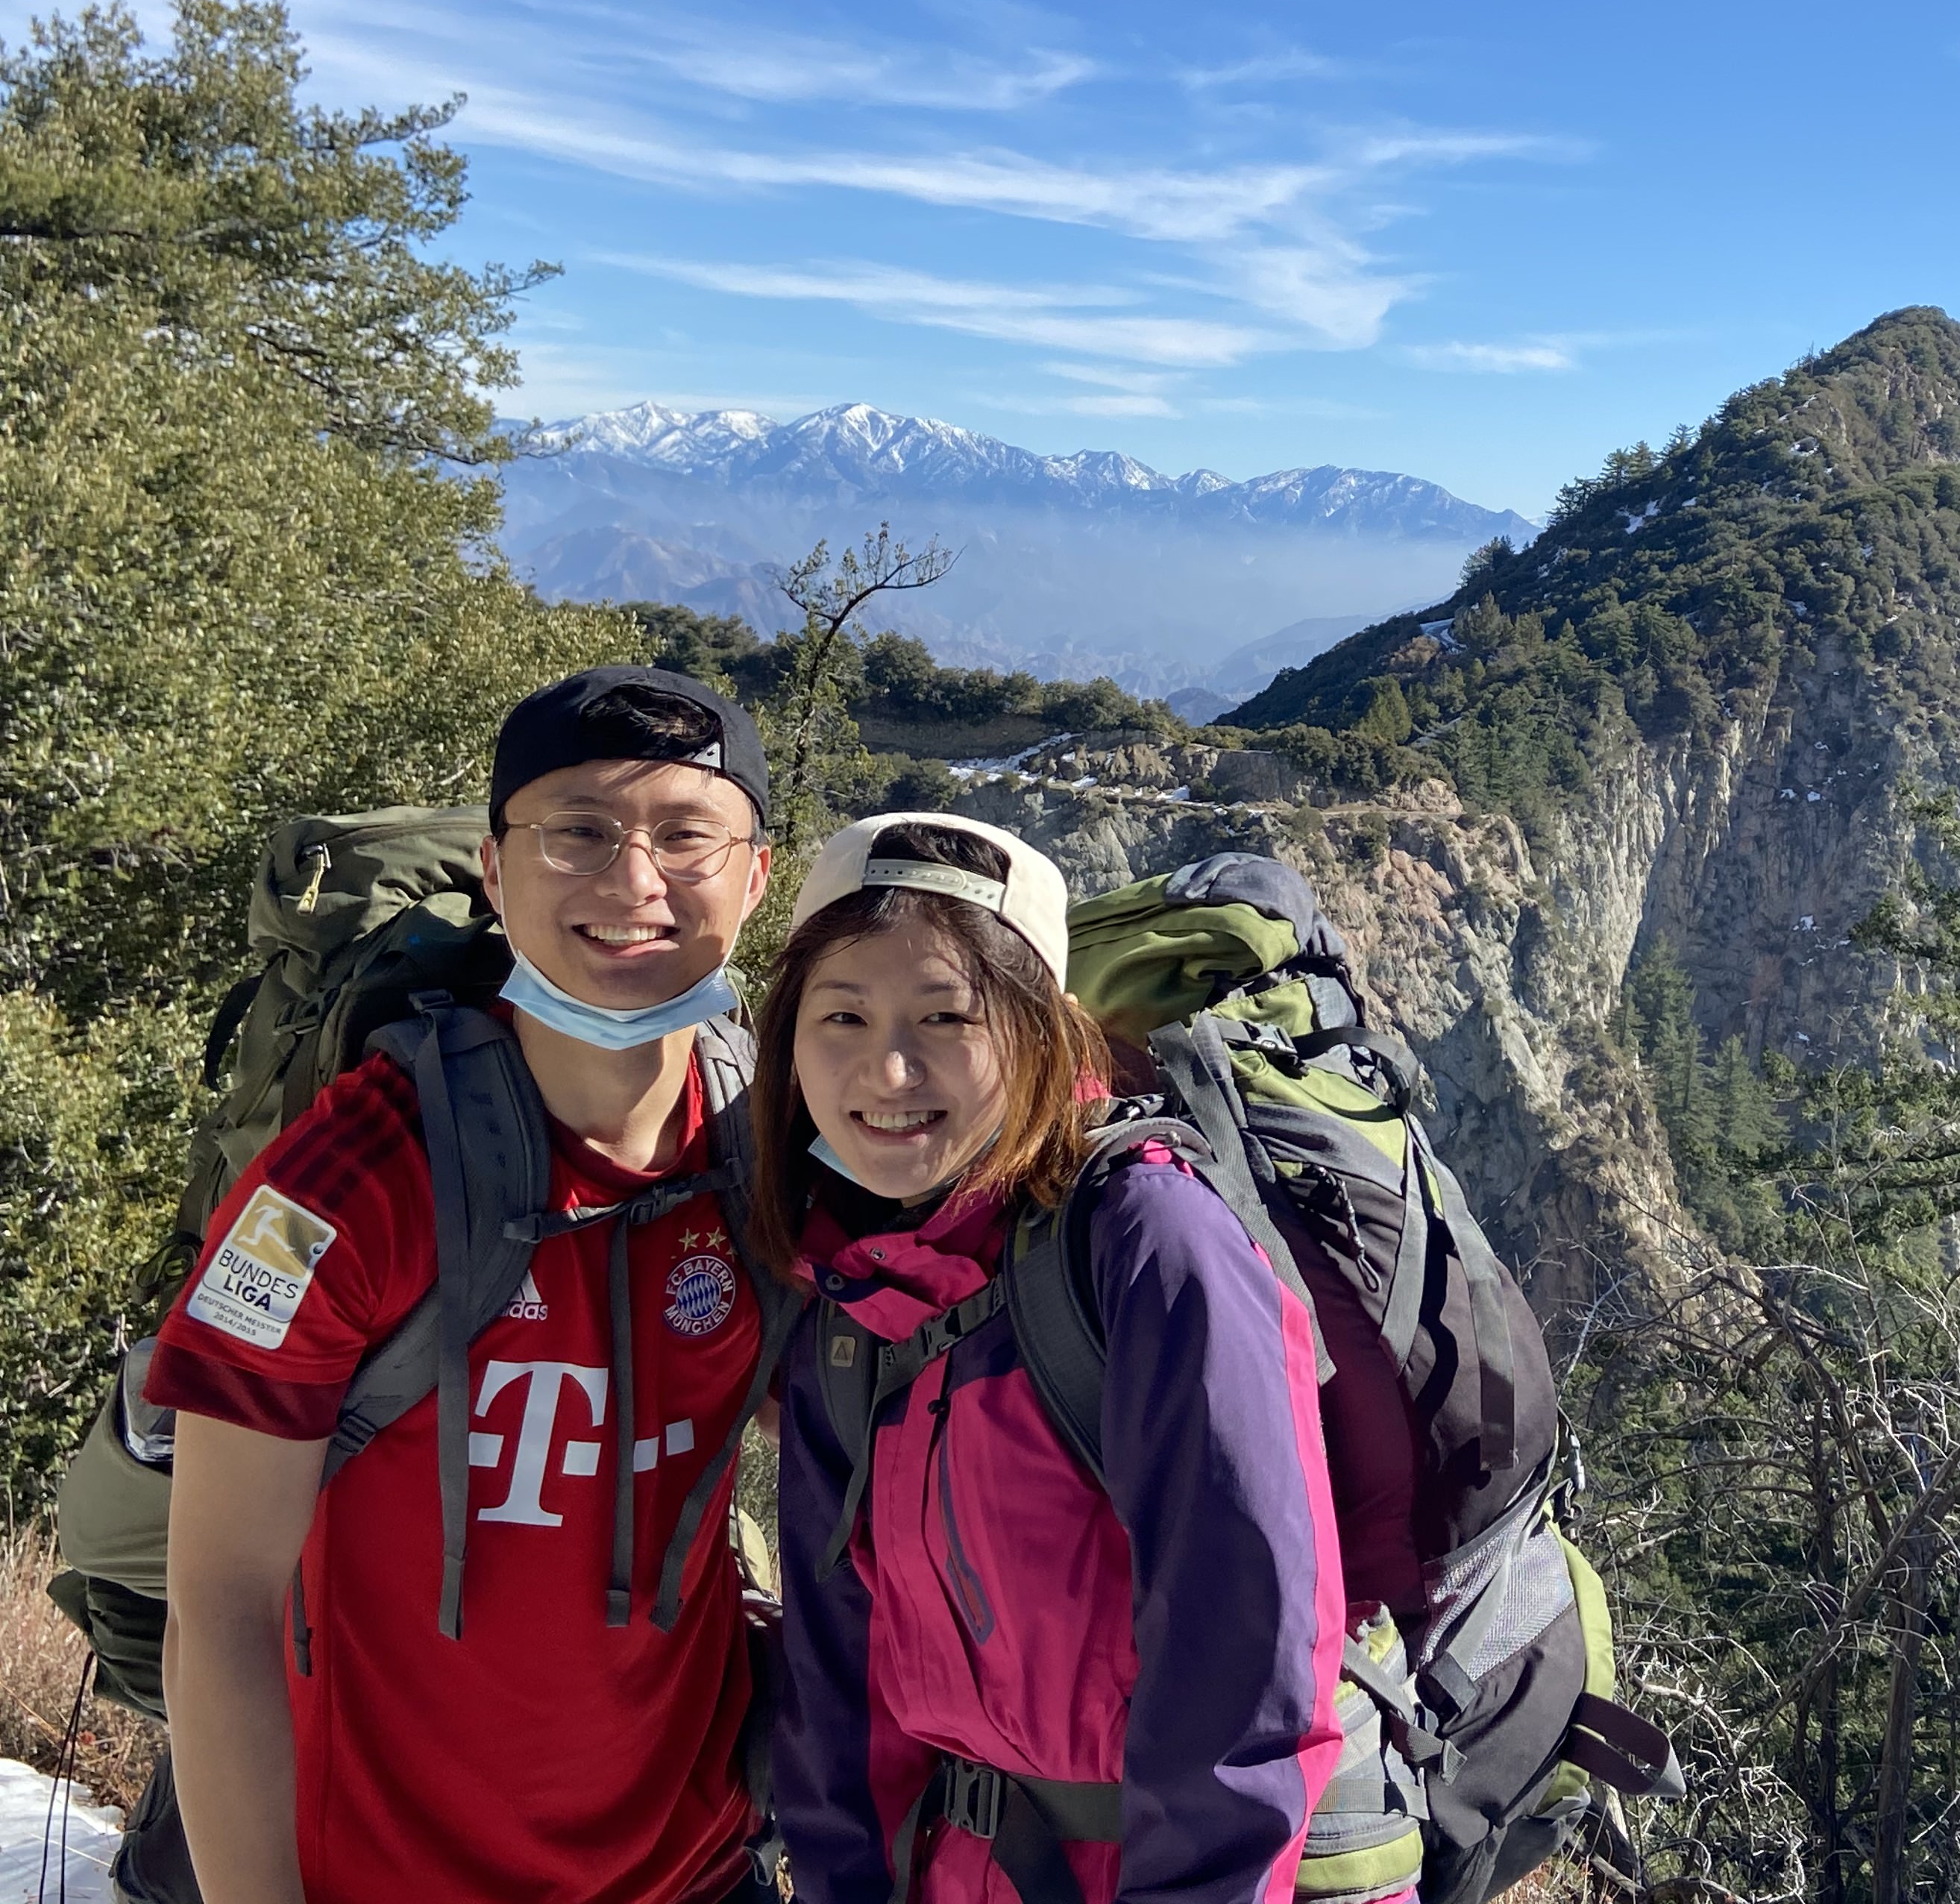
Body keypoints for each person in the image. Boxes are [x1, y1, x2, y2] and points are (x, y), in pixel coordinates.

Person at [149, 667, 780, 1904]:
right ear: (496, 870)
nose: (634, 883)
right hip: (390, 1877)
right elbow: (219, 1609)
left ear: (756, 877)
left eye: (686, 836)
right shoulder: (341, 1182)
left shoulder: (765, 1150)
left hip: (699, 1869)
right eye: (578, 832)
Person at [756, 813, 1348, 1904]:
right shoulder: (845, 1286)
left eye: (947, 1016)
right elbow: (838, 1679)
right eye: (842, 1015)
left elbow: (1247, 1665)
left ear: (1042, 1029)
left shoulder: (1145, 1240)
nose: (889, 1068)